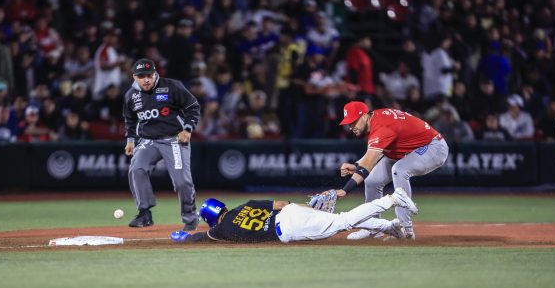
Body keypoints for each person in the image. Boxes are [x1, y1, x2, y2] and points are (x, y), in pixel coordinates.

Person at [334, 101, 449, 240]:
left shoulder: (381, 125)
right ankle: (373, 228)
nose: (350, 127)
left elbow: (369, 163)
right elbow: (374, 154)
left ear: (364, 116)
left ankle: (405, 230)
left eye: (353, 122)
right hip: (406, 150)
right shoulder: (376, 119)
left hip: (433, 147)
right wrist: (357, 164)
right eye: (348, 123)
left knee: (399, 170)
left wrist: (345, 190)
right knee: (372, 181)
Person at [170, 188, 417, 244]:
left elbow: (202, 237)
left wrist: (185, 236)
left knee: (343, 222)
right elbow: (282, 203)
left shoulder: (220, 231)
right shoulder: (245, 204)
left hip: (287, 230)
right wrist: (311, 210)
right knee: (341, 219)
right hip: (291, 212)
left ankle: (391, 199)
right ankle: (390, 227)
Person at [123, 58, 201, 230]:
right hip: (148, 141)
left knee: (182, 182)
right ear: (134, 77)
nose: (146, 79)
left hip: (174, 138)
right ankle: (144, 213)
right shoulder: (131, 95)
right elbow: (130, 119)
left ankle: (190, 218)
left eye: (149, 75)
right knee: (136, 169)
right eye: (141, 76)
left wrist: (187, 129)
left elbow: (193, 107)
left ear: (155, 73)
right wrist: (130, 140)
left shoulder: (171, 86)